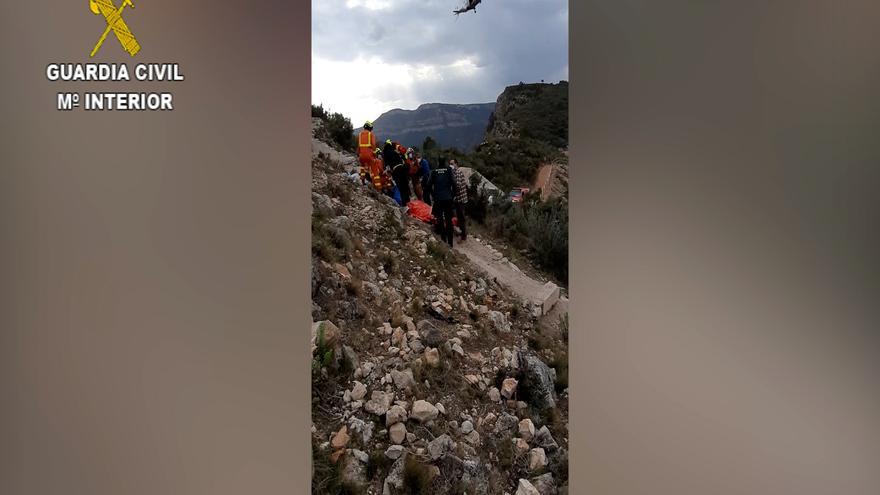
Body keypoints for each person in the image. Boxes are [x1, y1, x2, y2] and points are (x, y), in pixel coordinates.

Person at [426, 157, 458, 247]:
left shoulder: (434, 171)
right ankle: (450, 243)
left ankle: (444, 240)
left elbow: (428, 185)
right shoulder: (448, 170)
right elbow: (454, 183)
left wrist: (433, 195)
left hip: (438, 199)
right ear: (445, 162)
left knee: (440, 220)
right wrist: (452, 195)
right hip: (448, 198)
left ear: (438, 162)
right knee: (448, 220)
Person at [385, 140, 410, 206]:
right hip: (402, 168)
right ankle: (408, 202)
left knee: (400, 187)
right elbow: (403, 158)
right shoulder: (395, 152)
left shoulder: (386, 154)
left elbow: (387, 166)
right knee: (405, 186)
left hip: (396, 171)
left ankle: (404, 204)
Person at [449, 158, 468, 241]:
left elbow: (459, 185)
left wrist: (452, 184)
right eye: (450, 163)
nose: (451, 165)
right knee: (455, 214)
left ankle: (463, 235)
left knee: (461, 217)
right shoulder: (453, 172)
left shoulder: (458, 172)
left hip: (461, 199)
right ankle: (458, 230)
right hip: (457, 199)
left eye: (452, 164)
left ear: (456, 164)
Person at [357, 121, 377, 185]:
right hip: (369, 155)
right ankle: (374, 184)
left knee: (362, 167)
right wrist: (374, 153)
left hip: (361, 155)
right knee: (373, 168)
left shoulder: (360, 134)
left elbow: (359, 146)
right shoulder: (370, 134)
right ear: (369, 128)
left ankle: (363, 180)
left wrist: (358, 153)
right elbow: (373, 144)